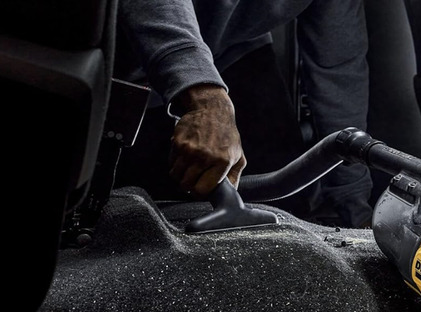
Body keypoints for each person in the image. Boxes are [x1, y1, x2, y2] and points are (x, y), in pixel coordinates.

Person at [112, 0, 374, 228]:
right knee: (131, 216)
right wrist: (203, 95)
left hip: (231, 50)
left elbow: (339, 70)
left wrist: (355, 206)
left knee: (287, 209)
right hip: (120, 58)